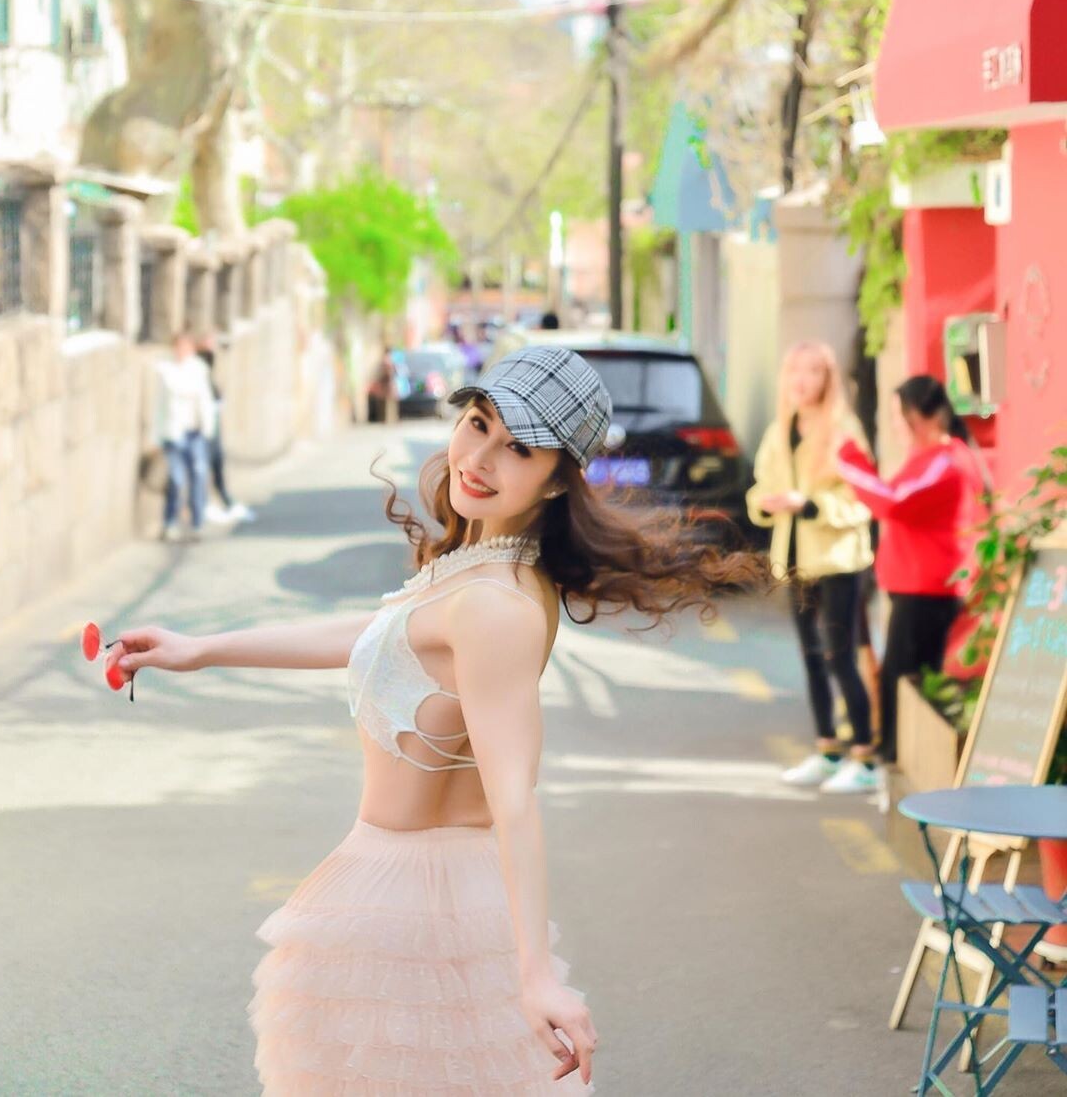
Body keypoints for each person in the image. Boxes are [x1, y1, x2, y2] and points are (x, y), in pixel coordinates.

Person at [105, 345, 767, 1095]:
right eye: (478, 423)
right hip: (411, 894)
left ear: (558, 480)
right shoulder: (478, 568)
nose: (479, 458)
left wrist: (536, 977)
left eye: (518, 448)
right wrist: (201, 650)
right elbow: (383, 635)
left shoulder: (494, 603)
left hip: (413, 908)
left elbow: (515, 797)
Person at [835, 374, 988, 765]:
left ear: (924, 416)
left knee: (904, 684)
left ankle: (896, 761)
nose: (896, 425)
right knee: (903, 680)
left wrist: (848, 462)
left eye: (900, 416)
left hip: (928, 591)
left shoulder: (946, 461)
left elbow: (892, 501)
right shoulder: (932, 458)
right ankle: (895, 760)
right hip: (917, 588)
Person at [746, 341, 877, 794]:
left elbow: (862, 498)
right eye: (796, 371)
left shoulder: (844, 431)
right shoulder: (779, 430)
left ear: (827, 379)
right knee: (811, 659)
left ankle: (865, 757)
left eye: (814, 371)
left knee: (841, 657)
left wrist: (810, 505)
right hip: (795, 560)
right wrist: (765, 503)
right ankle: (827, 750)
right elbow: (760, 487)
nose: (803, 381)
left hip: (838, 560)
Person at [152, 328, 216, 542]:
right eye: (178, 346)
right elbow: (159, 406)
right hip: (173, 433)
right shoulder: (166, 371)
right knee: (177, 479)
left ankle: (197, 522)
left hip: (195, 432)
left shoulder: (198, 370)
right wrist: (156, 436)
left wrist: (208, 429)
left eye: (185, 347)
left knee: (199, 475)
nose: (181, 350)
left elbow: (206, 402)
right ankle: (170, 521)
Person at [195, 332, 255, 525]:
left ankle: (225, 500)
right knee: (202, 469)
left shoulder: (209, 366)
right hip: (200, 428)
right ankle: (204, 505)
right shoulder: (196, 365)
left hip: (212, 424)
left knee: (217, 464)